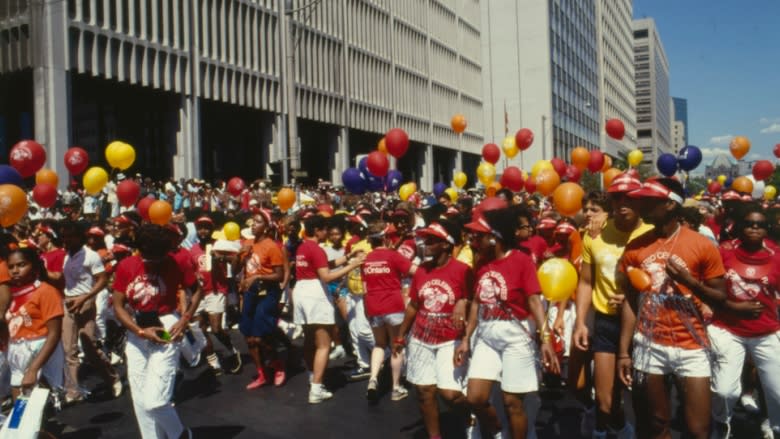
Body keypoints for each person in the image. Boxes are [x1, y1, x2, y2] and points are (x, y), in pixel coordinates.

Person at [617, 178, 727, 439]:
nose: (640, 205)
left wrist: (688, 282)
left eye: (648, 201)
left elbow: (720, 298)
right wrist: (624, 351)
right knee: (656, 424)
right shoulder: (635, 248)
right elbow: (631, 303)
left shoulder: (701, 245)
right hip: (650, 344)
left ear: (669, 204)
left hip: (692, 346)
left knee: (698, 429)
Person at [460, 205, 559, 439]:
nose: (474, 239)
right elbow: (476, 302)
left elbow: (535, 302)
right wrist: (466, 338)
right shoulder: (482, 263)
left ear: (495, 239)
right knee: (475, 397)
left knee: (512, 402)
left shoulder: (522, 261)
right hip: (486, 335)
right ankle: (497, 432)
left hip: (516, 337)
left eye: (480, 235)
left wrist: (545, 340)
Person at [571, 175, 651, 438]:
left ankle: (629, 429)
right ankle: (617, 428)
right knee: (605, 401)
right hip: (606, 322)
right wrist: (581, 322)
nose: (623, 202)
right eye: (617, 197)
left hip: (644, 325)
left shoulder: (651, 234)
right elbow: (585, 282)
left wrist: (634, 297)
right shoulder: (595, 235)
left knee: (643, 401)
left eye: (630, 197)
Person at [112, 224, 202, 439]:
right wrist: (140, 332)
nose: (157, 260)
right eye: (152, 255)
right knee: (140, 399)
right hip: (137, 330)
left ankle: (180, 434)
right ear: (140, 249)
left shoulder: (176, 262)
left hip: (166, 326)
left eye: (162, 254)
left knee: (156, 401)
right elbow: (117, 305)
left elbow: (197, 290)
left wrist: (185, 318)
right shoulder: (126, 265)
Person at [394, 220, 472, 439]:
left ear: (446, 245)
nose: (426, 243)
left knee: (450, 395)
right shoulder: (421, 271)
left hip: (450, 339)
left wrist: (463, 301)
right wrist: (400, 336)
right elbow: (414, 306)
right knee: (424, 392)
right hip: (421, 338)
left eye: (433, 240)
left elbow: (475, 302)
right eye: (426, 239)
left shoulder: (463, 270)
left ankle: (470, 415)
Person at [709, 204, 780, 438]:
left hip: (766, 332)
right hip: (729, 330)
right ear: (740, 226)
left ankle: (775, 427)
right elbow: (709, 287)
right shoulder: (723, 252)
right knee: (725, 391)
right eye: (749, 224)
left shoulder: (777, 256)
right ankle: (722, 426)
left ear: (767, 229)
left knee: (777, 392)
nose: (754, 228)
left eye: (760, 225)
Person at [292, 214, 364, 403]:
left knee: (309, 340)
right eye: (324, 229)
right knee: (324, 344)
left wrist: (348, 257)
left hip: (301, 291)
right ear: (317, 230)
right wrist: (354, 265)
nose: (327, 233)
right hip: (314, 293)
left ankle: (312, 375)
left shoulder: (302, 247)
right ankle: (316, 389)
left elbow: (325, 265)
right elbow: (326, 276)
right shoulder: (316, 249)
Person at [59, 220, 121, 403]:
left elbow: (102, 280)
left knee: (89, 347)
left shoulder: (91, 256)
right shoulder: (66, 256)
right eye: (64, 237)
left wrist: (85, 298)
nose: (67, 240)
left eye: (70, 237)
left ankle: (112, 377)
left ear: (79, 237)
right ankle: (73, 391)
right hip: (69, 302)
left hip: (85, 302)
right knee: (68, 349)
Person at [362, 219, 416, 402]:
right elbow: (414, 270)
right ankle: (395, 387)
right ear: (385, 238)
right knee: (396, 345)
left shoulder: (367, 259)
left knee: (379, 344)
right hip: (393, 305)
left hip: (373, 305)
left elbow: (364, 288)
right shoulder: (393, 256)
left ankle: (373, 379)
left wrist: (366, 308)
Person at [5, 248, 64, 401]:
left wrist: (33, 369)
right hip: (16, 352)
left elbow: (54, 334)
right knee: (20, 410)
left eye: (21, 265)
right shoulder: (10, 295)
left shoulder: (46, 291)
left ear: (35, 266)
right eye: (11, 267)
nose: (15, 271)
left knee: (36, 411)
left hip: (41, 353)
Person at [239, 209, 288, 390]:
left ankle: (277, 365)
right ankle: (261, 373)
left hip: (268, 293)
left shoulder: (272, 246)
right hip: (251, 293)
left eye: (258, 222)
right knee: (249, 338)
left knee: (260, 337)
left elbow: (279, 275)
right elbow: (237, 267)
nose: (253, 224)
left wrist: (257, 277)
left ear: (266, 227)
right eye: (252, 221)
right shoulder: (247, 243)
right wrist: (240, 253)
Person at [190, 216, 241, 375]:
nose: (203, 231)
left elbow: (236, 265)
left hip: (216, 290)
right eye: (200, 228)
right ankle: (212, 359)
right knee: (200, 329)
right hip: (199, 293)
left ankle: (232, 350)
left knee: (216, 328)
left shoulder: (220, 245)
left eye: (206, 227)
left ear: (212, 230)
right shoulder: (192, 249)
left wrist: (223, 258)